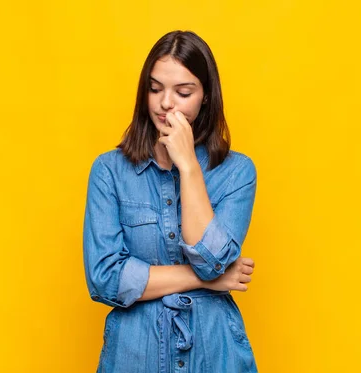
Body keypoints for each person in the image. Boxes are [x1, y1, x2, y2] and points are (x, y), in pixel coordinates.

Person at [83, 30, 258, 372]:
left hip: (214, 351)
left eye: (183, 92)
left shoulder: (237, 172)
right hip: (135, 354)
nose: (166, 103)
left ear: (206, 96)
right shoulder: (109, 171)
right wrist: (209, 281)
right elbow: (105, 279)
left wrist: (189, 165)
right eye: (155, 88)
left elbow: (210, 261)